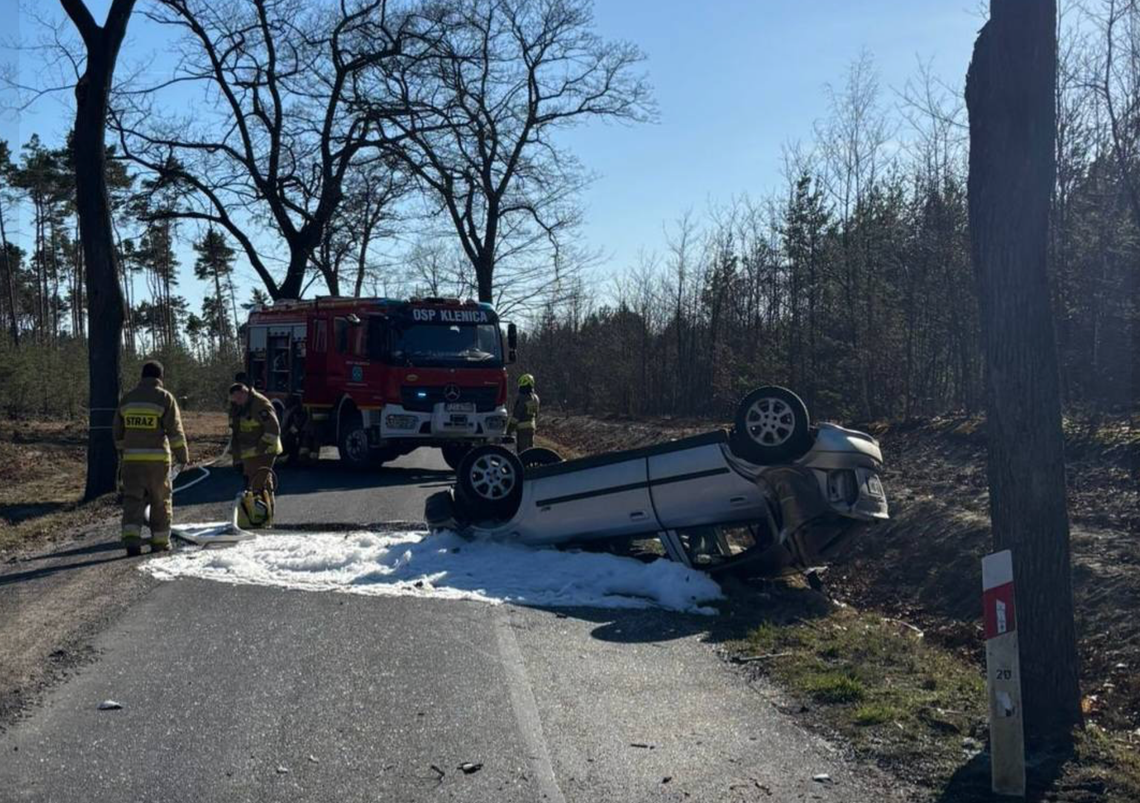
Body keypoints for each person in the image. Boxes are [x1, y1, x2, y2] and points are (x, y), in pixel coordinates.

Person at [113, 360, 188, 556]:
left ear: (142, 376)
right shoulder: (164, 398)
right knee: (160, 501)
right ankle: (160, 542)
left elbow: (117, 433)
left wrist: (124, 452)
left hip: (131, 463)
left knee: (132, 500)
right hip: (157, 463)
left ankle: (131, 541)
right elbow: (175, 432)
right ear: (160, 377)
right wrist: (183, 457)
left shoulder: (127, 399)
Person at [228, 382, 282, 521]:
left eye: (239, 398)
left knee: (256, 484)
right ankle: (264, 515)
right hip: (248, 453)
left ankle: (258, 517)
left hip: (265, 450)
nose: (237, 402)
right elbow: (235, 434)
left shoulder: (260, 405)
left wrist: (260, 448)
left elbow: (273, 429)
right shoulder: (237, 406)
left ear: (245, 393)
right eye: (235, 400)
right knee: (260, 483)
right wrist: (237, 459)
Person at [508, 373, 540, 453]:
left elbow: (516, 416)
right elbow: (536, 414)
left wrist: (509, 430)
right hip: (532, 428)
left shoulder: (522, 398)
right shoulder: (536, 398)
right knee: (531, 450)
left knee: (523, 452)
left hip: (522, 430)